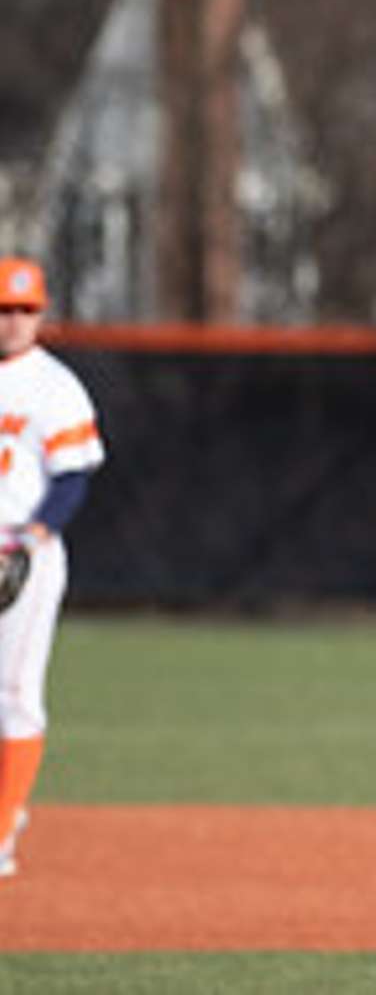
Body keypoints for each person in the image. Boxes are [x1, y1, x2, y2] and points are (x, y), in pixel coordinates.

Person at [0, 257, 105, 880]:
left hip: (21, 557)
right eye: (3, 310)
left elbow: (73, 476)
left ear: (42, 312)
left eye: (25, 309)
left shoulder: (54, 386)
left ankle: (3, 826)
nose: (14, 322)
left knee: (14, 697)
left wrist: (37, 534)